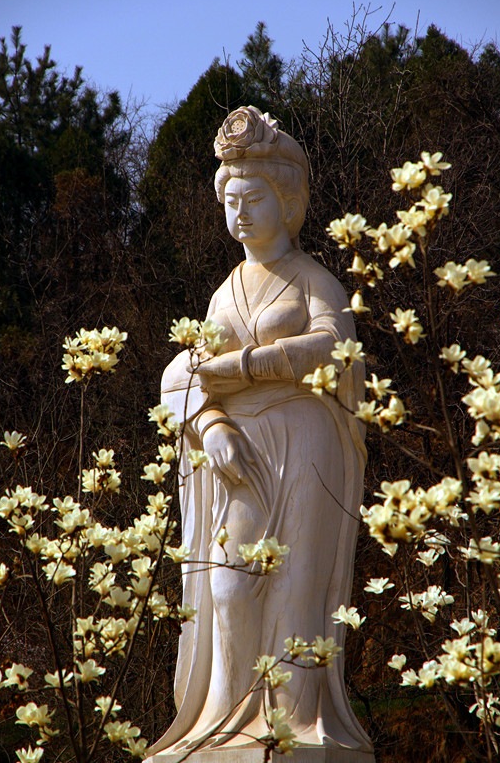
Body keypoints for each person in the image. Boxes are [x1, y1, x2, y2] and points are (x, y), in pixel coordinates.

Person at [146, 106, 374, 762]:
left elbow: (335, 345)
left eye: (254, 199)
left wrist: (244, 366)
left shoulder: (312, 280)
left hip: (303, 442)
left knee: (296, 586)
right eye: (231, 202)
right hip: (237, 450)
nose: (240, 214)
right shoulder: (223, 294)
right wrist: (211, 422)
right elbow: (182, 373)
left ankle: (294, 722)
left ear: (287, 202)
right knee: (227, 585)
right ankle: (225, 720)